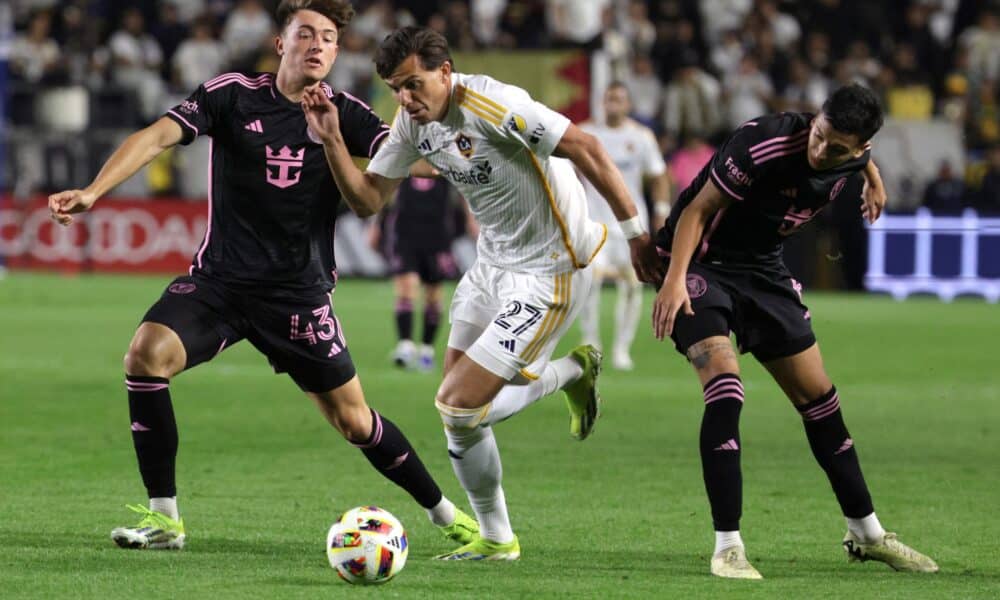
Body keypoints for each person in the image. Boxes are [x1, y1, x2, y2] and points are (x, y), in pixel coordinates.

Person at [47, 0, 476, 552]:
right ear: (281, 43)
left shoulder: (348, 114)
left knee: (354, 422)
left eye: (328, 37)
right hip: (219, 284)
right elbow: (156, 136)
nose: (317, 44)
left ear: (338, 50)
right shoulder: (231, 94)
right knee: (144, 355)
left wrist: (470, 151)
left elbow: (405, 163)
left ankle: (446, 515)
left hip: (298, 295)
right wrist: (92, 192)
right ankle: (165, 520)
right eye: (305, 34)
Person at [304, 25, 664, 560]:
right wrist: (332, 139)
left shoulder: (497, 105)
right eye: (397, 88)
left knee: (458, 406)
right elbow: (367, 201)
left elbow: (585, 147)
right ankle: (498, 535)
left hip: (551, 270)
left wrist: (637, 237)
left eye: (414, 83)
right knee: (459, 407)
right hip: (491, 266)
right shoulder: (412, 123)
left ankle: (563, 380)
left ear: (445, 71)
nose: (406, 98)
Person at [651, 84, 939, 578]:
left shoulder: (853, 155)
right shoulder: (763, 144)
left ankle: (867, 534)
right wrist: (673, 280)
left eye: (841, 149)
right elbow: (697, 211)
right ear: (817, 119)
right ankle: (727, 547)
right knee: (725, 388)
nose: (822, 149)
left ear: (861, 148)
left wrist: (872, 176)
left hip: (764, 271)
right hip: (701, 263)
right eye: (821, 135)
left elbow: (858, 157)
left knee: (820, 400)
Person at [578, 82, 670, 370]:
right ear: (602, 103)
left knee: (632, 287)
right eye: (609, 99)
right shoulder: (585, 133)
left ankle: (621, 349)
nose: (613, 104)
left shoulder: (641, 137)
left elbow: (658, 176)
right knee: (588, 284)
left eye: (618, 99)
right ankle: (592, 342)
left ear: (628, 104)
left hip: (630, 226)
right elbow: (566, 175)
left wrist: (662, 210)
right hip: (593, 224)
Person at [369, 175, 471, 370]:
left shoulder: (444, 163)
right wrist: (376, 225)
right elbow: (387, 191)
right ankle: (405, 345)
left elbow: (463, 192)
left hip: (437, 236)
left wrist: (470, 220)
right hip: (405, 236)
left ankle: (426, 350)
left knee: (433, 296)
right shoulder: (405, 161)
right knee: (406, 288)